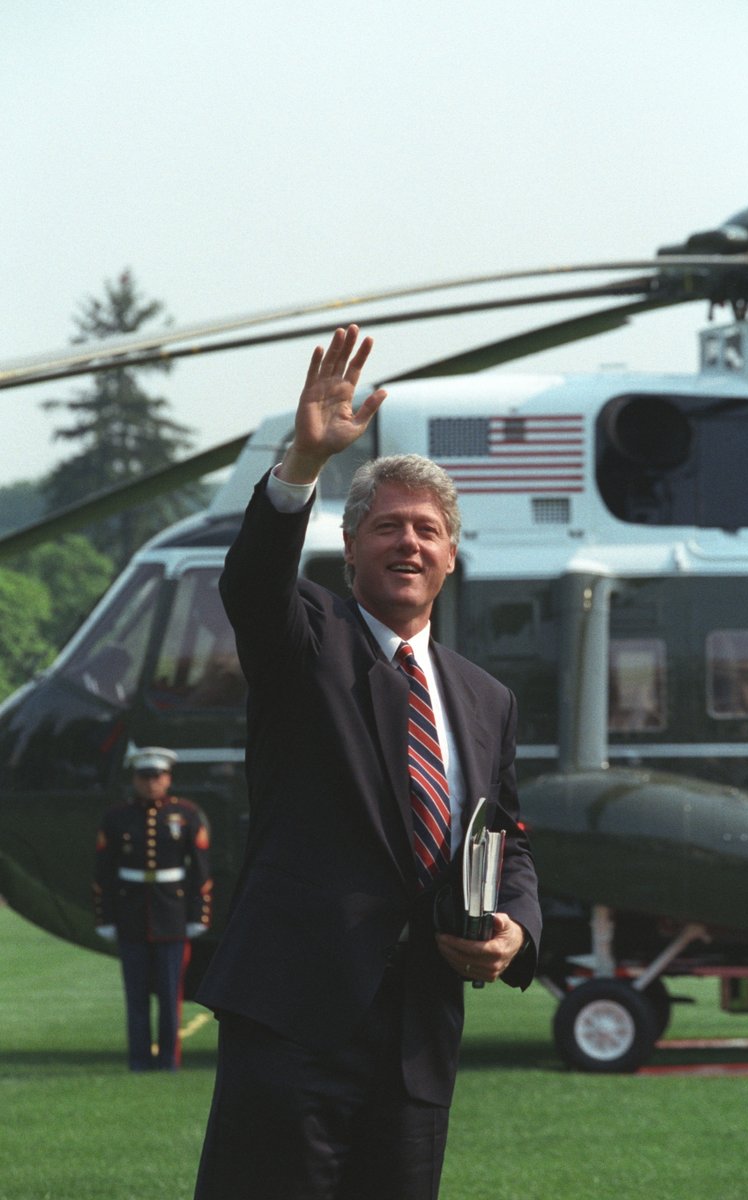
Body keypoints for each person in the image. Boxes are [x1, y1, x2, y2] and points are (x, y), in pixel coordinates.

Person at [193, 326, 541, 1199]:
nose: (409, 544)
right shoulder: (307, 641)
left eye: (428, 531)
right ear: (349, 549)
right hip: (295, 1023)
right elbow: (251, 585)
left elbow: (511, 841)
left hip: (419, 1036)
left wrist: (516, 929)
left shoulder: (484, 699)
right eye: (387, 527)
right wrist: (303, 463)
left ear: (451, 558)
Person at [93, 746, 213, 1071]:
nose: (150, 783)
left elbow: (200, 871)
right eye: (144, 777)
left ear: (168, 778)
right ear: (134, 779)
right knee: (136, 997)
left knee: (170, 994)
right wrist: (105, 917)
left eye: (156, 776)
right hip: (131, 913)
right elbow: (104, 871)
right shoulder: (117, 817)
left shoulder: (186, 815)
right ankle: (139, 1059)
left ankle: (168, 1061)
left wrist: (198, 915)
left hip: (171, 915)